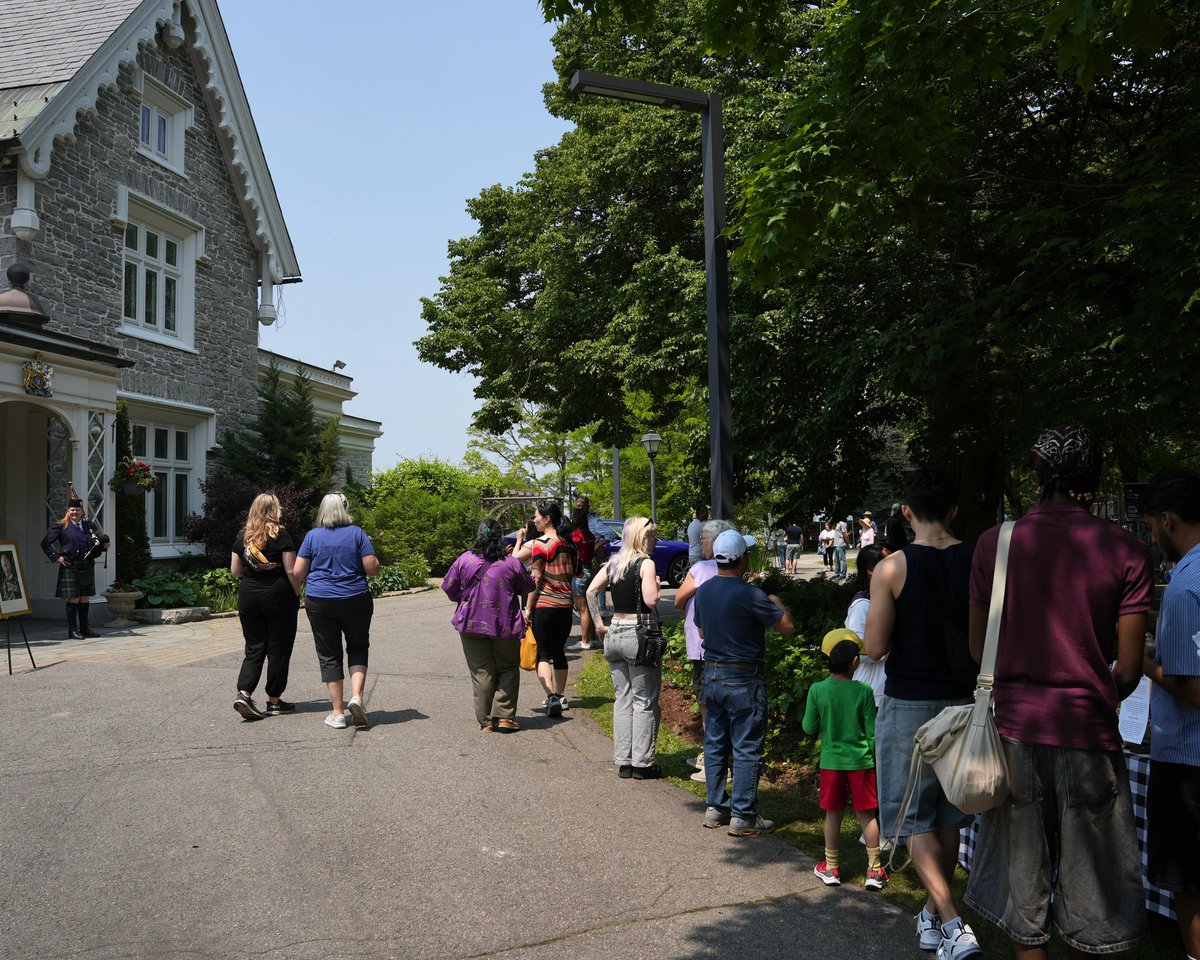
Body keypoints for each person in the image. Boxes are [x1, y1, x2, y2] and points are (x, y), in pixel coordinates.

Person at [964, 425, 1151, 960]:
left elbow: (980, 650)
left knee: (1024, 879)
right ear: (1093, 478)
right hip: (1088, 727)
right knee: (1096, 884)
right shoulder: (1126, 549)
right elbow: (1130, 668)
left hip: (1015, 729)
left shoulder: (995, 543)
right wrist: (1094, 684)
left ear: (1038, 475)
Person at [864, 467, 979, 960]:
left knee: (910, 818)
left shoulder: (891, 569)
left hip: (910, 704)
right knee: (949, 815)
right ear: (954, 509)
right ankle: (933, 917)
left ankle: (953, 923)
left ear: (907, 512)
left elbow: (873, 647)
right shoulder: (979, 561)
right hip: (965, 702)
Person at [693, 529, 795, 836]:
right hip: (743, 677)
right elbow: (787, 627)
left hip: (711, 673)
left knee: (714, 743)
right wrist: (775, 600)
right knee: (746, 746)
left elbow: (700, 633)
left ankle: (715, 808)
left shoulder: (704, 590)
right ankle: (743, 815)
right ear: (743, 559)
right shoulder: (751, 594)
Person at [1141, 470, 1200, 960]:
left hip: (1187, 762)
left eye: (1152, 526)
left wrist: (1140, 662)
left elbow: (1191, 687)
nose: (1153, 537)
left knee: (1188, 879)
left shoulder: (1183, 586)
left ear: (1168, 520)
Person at [802, 637, 887, 891]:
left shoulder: (817, 690)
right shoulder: (864, 691)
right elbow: (871, 733)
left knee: (833, 814)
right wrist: (874, 759)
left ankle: (831, 867)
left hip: (831, 763)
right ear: (855, 662)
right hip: (861, 762)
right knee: (867, 815)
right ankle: (874, 870)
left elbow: (808, 727)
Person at [293, 492, 381, 730]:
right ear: (345, 509)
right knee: (358, 646)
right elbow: (372, 568)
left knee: (329, 653)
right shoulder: (357, 534)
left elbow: (298, 572)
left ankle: (337, 712)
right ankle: (357, 697)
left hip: (320, 600)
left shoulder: (312, 537)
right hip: (355, 598)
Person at [443, 519, 536, 732]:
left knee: (481, 671)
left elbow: (449, 588)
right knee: (508, 667)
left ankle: (486, 722)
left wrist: (465, 600)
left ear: (479, 535)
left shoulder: (464, 559)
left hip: (470, 622)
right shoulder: (511, 563)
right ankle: (504, 717)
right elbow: (527, 586)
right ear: (500, 537)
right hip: (504, 623)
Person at [587, 516, 662, 778]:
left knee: (623, 698)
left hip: (615, 632)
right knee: (644, 699)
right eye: (652, 536)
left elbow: (590, 592)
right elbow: (651, 600)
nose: (654, 541)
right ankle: (643, 763)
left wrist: (599, 623)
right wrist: (658, 587)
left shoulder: (613, 564)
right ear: (642, 538)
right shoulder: (646, 563)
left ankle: (624, 761)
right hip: (639, 634)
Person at [674, 518, 735, 782]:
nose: (701, 543)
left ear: (717, 541)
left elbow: (678, 599)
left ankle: (715, 763)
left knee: (706, 704)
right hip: (726, 647)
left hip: (702, 647)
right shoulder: (734, 569)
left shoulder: (701, 569)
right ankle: (713, 756)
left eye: (704, 539)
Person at [231, 493, 301, 721]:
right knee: (278, 648)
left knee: (254, 647)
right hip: (278, 597)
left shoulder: (243, 536)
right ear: (274, 510)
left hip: (249, 596)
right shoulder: (281, 535)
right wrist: (298, 592)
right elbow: (292, 571)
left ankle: (244, 693)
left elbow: (235, 571)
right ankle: (274, 701)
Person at [525, 502, 577, 717]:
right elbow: (579, 573)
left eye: (536, 516)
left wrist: (528, 608)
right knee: (559, 651)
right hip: (565, 606)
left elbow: (536, 579)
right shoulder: (569, 544)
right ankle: (561, 695)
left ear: (547, 519)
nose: (534, 520)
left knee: (543, 654)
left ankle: (551, 697)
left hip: (545, 605)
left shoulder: (540, 543)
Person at [40, 489, 108, 639]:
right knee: (74, 598)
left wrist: (103, 546)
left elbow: (94, 546)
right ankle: (72, 630)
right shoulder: (61, 526)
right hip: (70, 565)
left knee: (84, 598)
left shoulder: (88, 526)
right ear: (68, 511)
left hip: (87, 565)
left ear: (82, 511)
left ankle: (85, 629)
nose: (74, 513)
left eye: (77, 510)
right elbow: (45, 543)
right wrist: (57, 557)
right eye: (72, 510)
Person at [845, 544, 887, 707]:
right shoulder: (862, 605)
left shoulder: (882, 600)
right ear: (870, 570)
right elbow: (859, 651)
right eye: (887, 562)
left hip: (884, 690)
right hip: (873, 693)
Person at [567, 498, 598, 652]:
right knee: (590, 607)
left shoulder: (575, 535)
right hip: (589, 570)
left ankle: (584, 641)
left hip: (579, 573)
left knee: (582, 609)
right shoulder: (590, 535)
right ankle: (591, 638)